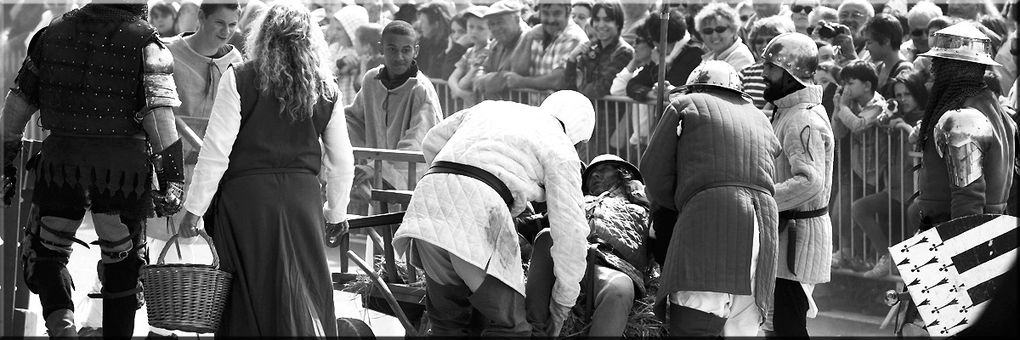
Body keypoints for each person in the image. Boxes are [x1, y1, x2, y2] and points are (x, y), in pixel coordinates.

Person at [1, 2, 184, 337]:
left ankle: (63, 330)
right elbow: (160, 119)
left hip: (61, 166)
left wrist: (4, 166)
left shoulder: (52, 33)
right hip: (121, 174)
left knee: (45, 253)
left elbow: (15, 109)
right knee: (124, 263)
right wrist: (173, 179)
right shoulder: (146, 42)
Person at [176, 2, 354, 336]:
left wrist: (194, 210)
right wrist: (336, 214)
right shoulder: (326, 88)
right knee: (309, 293)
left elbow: (216, 152)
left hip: (247, 202)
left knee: (248, 296)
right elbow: (343, 163)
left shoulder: (241, 76)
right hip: (303, 201)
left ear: (264, 36)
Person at [392, 90, 594, 336]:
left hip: (428, 204)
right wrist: (562, 303)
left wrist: (455, 184)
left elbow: (431, 141)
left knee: (448, 325)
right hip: (476, 213)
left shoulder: (492, 107)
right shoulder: (562, 149)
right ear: (580, 140)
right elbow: (571, 232)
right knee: (512, 329)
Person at [642, 60, 781, 337]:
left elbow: (653, 171)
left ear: (695, 86)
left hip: (710, 215)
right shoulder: (759, 117)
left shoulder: (685, 104)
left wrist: (678, 206)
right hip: (764, 223)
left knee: (694, 321)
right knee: (742, 328)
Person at [759, 33, 834, 337]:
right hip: (787, 232)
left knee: (788, 325)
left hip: (797, 236)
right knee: (776, 323)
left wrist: (763, 199)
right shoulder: (789, 111)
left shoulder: (802, 119)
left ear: (790, 72)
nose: (765, 74)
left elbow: (809, 180)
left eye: (772, 68)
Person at [526, 154, 651, 337]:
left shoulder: (644, 209)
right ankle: (534, 332)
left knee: (619, 289)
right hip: (567, 257)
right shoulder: (576, 203)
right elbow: (530, 225)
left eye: (603, 170)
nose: (595, 176)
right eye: (591, 173)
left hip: (612, 267)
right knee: (548, 235)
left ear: (623, 174)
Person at [911, 22, 1016, 231]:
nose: (933, 70)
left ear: (953, 67)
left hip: (958, 230)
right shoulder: (989, 105)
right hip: (970, 226)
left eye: (939, 63)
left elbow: (969, 196)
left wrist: (961, 243)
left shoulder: (965, 118)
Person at [345, 21, 443, 190]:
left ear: (416, 51)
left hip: (411, 182)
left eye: (406, 50)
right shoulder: (371, 80)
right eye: (392, 49)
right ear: (381, 48)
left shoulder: (421, 89)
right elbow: (354, 120)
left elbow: (419, 140)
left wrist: (377, 168)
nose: (399, 57)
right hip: (377, 180)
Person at [855, 69, 929, 278]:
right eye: (898, 95)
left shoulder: (925, 117)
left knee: (911, 220)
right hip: (895, 189)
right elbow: (879, 122)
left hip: (916, 190)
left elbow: (920, 139)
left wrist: (904, 126)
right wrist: (887, 118)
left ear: (917, 93)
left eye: (907, 94)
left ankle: (913, 271)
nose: (903, 99)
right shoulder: (896, 115)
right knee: (859, 207)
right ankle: (887, 257)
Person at [830, 60, 889, 269]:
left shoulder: (878, 104)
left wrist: (844, 107)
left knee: (858, 215)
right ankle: (844, 253)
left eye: (851, 83)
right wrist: (838, 108)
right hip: (855, 168)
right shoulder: (852, 104)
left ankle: (860, 257)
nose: (846, 88)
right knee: (840, 213)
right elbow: (838, 132)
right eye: (844, 83)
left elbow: (858, 126)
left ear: (867, 85)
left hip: (874, 172)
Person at [167, 1, 244, 159]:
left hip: (213, 167)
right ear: (202, 17)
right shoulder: (167, 53)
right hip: (171, 164)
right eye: (219, 23)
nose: (226, 31)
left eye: (232, 24)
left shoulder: (235, 62)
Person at [507, 0, 589, 91]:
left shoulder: (573, 37)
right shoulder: (536, 33)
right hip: (536, 104)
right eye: (546, 13)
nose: (551, 20)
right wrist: (528, 38)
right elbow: (516, 70)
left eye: (556, 14)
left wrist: (522, 82)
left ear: (568, 11)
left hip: (560, 105)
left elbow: (558, 80)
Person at [625, 9, 704, 102]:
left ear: (656, 40)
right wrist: (649, 94)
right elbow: (632, 85)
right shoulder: (658, 54)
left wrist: (659, 65)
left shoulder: (694, 54)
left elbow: (667, 88)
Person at [564, 0, 633, 99]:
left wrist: (576, 96)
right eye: (597, 19)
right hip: (585, 110)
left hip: (609, 113)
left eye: (607, 20)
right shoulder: (590, 48)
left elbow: (601, 88)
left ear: (618, 23)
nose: (601, 25)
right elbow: (570, 86)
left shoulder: (624, 52)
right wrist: (572, 58)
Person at [739, 15, 795, 114]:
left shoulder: (795, 73)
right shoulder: (744, 74)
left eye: (770, 40)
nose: (765, 45)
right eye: (759, 41)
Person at [474, 0, 529, 99]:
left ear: (516, 19)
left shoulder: (529, 39)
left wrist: (484, 81)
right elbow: (482, 68)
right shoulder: (496, 43)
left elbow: (512, 76)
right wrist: (482, 80)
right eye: (491, 24)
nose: (495, 28)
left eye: (500, 22)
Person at [447, 5, 491, 105]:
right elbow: (452, 78)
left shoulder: (489, 51)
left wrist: (457, 89)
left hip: (483, 105)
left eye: (480, 28)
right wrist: (459, 92)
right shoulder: (469, 51)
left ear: (490, 30)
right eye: (471, 27)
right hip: (468, 105)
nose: (474, 31)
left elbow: (465, 83)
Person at [694, 2, 754, 71]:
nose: (714, 36)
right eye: (708, 31)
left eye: (720, 29)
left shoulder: (741, 57)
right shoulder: (711, 57)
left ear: (733, 30)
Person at [865, 13, 912, 97]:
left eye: (869, 42)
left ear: (886, 41)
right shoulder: (878, 68)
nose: (866, 48)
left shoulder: (905, 71)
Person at [416, 1, 467, 79]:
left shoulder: (451, 43)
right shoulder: (424, 42)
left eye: (423, 22)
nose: (420, 26)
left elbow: (438, 74)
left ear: (436, 24)